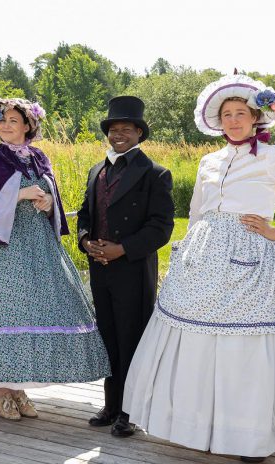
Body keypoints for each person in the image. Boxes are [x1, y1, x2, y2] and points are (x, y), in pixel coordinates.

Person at [122, 74, 275, 462]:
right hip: (204, 257)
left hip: (253, 255)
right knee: (197, 340)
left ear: (255, 118)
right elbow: (198, 209)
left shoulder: (272, 156)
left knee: (248, 345)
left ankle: (251, 437)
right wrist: (188, 248)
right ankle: (201, 426)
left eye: (240, 114)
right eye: (227, 114)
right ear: (218, 121)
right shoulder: (210, 160)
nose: (233, 120)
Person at [0, 98, 110, 421]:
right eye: (2, 121)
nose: (6, 126)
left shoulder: (39, 158)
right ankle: (1, 389)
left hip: (38, 244)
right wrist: (22, 195)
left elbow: (51, 194)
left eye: (13, 121)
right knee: (4, 312)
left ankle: (18, 388)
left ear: (28, 125)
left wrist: (47, 203)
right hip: (4, 246)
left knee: (32, 311)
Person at [77, 96, 174, 437]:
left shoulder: (155, 174)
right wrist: (86, 241)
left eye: (126, 129)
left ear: (139, 133)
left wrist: (122, 249)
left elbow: (161, 226)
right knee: (108, 338)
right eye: (113, 129)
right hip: (100, 268)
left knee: (131, 338)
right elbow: (86, 215)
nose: (119, 134)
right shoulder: (95, 170)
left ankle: (130, 412)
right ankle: (111, 404)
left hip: (132, 268)